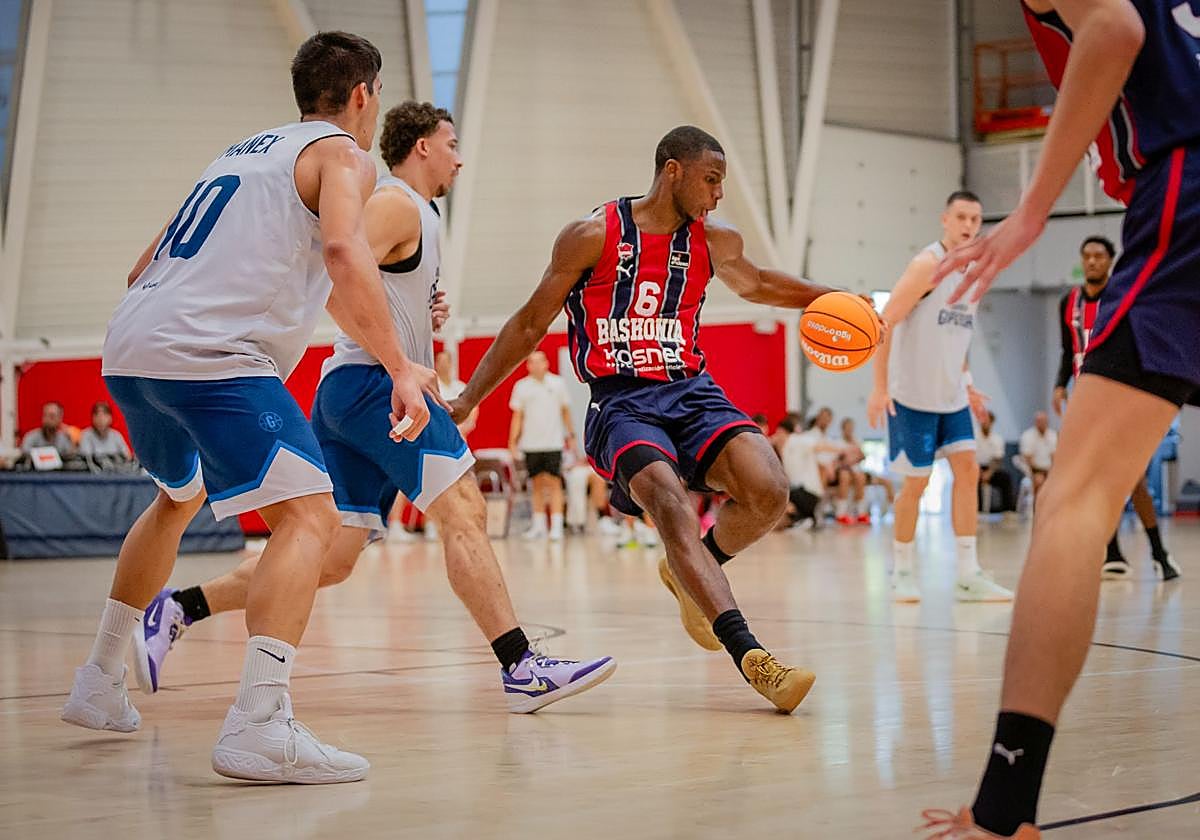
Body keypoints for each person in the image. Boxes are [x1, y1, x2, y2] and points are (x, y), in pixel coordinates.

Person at [136, 101, 614, 714]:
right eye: (451, 143)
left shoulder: (420, 214)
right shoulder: (395, 203)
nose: (459, 157)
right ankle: (521, 664)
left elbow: (371, 282)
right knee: (464, 507)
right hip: (373, 388)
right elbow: (329, 281)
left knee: (330, 559)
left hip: (348, 390)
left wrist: (418, 312)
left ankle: (178, 607)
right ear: (420, 147)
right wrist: (395, 359)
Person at [60, 32, 436, 784]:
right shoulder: (346, 156)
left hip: (131, 345)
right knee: (311, 517)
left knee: (177, 497)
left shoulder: (238, 155)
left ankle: (100, 680)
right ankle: (262, 724)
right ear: (364, 95)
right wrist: (400, 365)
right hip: (211, 355)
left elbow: (146, 264)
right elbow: (343, 255)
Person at [920, 2, 1200, 836]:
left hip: (1186, 185)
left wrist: (1034, 209)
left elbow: (1114, 28)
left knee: (1073, 503)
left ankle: (1004, 807)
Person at [448, 126, 837, 712]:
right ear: (672, 171)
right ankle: (753, 658)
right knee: (670, 503)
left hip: (692, 390)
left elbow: (757, 284)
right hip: (622, 401)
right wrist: (469, 398)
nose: (718, 194)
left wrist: (835, 299)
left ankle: (690, 571)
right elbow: (530, 324)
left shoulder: (714, 240)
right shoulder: (591, 236)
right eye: (711, 180)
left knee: (770, 490)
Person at [868, 191, 1012, 604]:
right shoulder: (927, 265)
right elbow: (884, 324)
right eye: (962, 217)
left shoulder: (978, 270)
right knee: (917, 483)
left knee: (968, 471)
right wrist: (879, 388)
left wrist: (965, 380)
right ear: (945, 220)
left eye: (976, 218)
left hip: (951, 397)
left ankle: (968, 574)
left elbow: (958, 334)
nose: (969, 225)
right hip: (911, 396)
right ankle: (903, 570)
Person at [1055, 235, 1178, 580]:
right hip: (1085, 398)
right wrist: (1058, 385)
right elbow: (1068, 351)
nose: (1092, 262)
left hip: (1122, 395)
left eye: (1099, 256)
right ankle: (1111, 553)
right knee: (1092, 478)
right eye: (1087, 256)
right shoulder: (1068, 302)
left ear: (1111, 261)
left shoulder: (1125, 297)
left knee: (1133, 478)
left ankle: (1159, 554)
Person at [509, 350, 575, 541]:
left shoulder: (558, 384)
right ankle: (539, 526)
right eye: (532, 362)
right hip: (531, 444)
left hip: (553, 443)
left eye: (540, 361)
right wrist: (512, 442)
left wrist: (570, 436)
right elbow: (517, 417)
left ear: (546, 363)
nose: (536, 365)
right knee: (536, 484)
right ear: (527, 366)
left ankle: (556, 525)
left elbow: (565, 412)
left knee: (554, 483)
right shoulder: (521, 387)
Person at [780, 419, 824, 528]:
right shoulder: (785, 448)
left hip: (807, 492)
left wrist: (844, 450)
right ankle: (802, 518)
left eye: (778, 433)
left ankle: (805, 518)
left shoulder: (797, 440)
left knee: (784, 494)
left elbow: (819, 446)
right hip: (802, 493)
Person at [976, 411, 1015, 514]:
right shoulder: (974, 437)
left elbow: (997, 459)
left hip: (991, 469)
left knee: (1005, 478)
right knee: (970, 480)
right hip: (976, 468)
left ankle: (1007, 511)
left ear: (992, 422)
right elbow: (971, 457)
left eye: (988, 421)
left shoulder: (997, 439)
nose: (985, 423)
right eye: (983, 420)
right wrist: (979, 472)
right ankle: (976, 511)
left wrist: (989, 473)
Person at [835, 417, 871, 524]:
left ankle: (861, 513)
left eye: (851, 428)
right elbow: (838, 459)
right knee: (845, 476)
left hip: (855, 469)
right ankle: (841, 513)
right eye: (847, 427)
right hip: (843, 470)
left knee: (861, 478)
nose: (849, 430)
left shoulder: (856, 441)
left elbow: (862, 456)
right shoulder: (838, 442)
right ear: (843, 428)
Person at [435, 349, 477, 437]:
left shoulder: (460, 386)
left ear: (451, 364)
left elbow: (473, 406)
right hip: (440, 433)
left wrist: (466, 426)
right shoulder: (433, 388)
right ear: (436, 364)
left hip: (461, 433)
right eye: (441, 362)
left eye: (446, 362)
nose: (444, 365)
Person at [1017, 411, 1056, 505]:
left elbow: (1054, 456)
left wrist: (1053, 472)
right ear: (1036, 422)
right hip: (1034, 470)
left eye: (1044, 421)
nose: (1042, 423)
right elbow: (1028, 458)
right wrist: (1036, 473)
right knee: (1039, 482)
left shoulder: (1052, 435)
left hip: (1049, 469)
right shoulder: (1028, 436)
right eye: (1039, 421)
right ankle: (1037, 512)